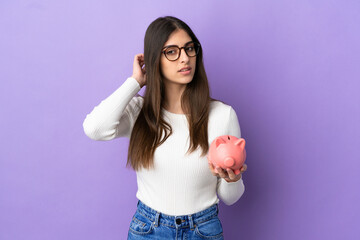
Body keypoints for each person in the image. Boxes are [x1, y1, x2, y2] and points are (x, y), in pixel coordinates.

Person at [82, 16, 248, 240]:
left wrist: (232, 179)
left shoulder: (222, 115)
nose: (185, 58)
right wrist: (135, 81)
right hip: (148, 230)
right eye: (172, 51)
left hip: (203, 229)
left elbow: (231, 198)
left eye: (190, 49)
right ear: (154, 60)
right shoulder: (140, 111)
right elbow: (94, 128)